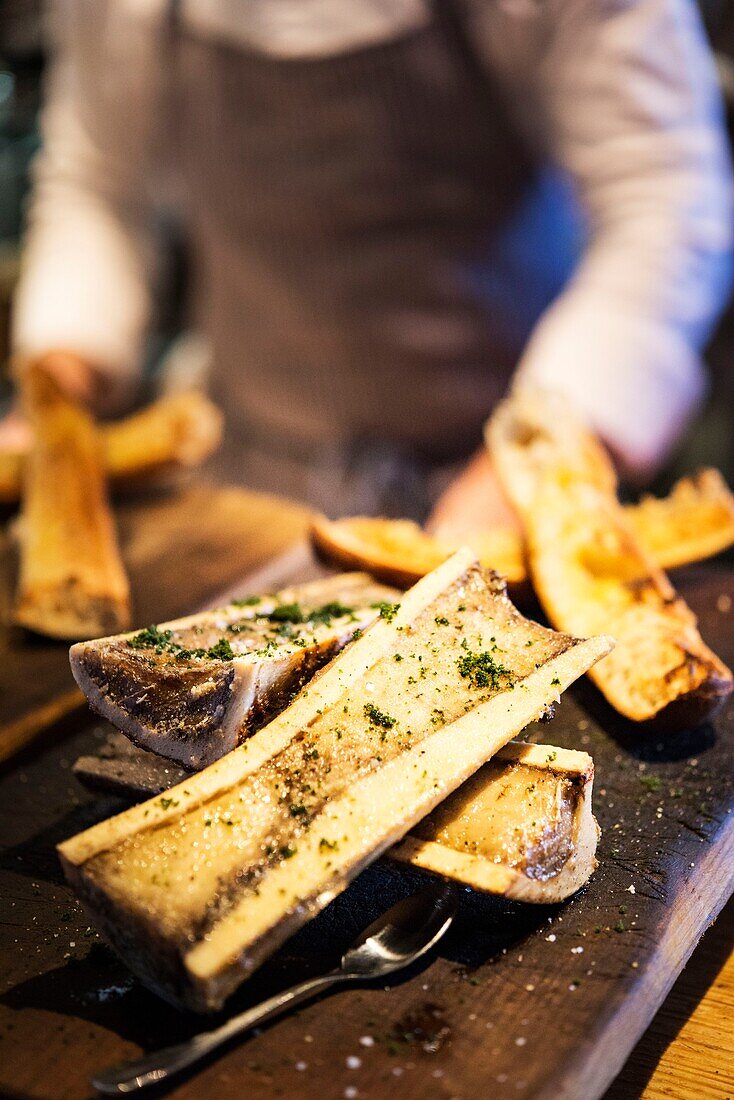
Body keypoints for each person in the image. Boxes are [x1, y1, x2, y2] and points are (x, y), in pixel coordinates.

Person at [6, 0, 733, 534]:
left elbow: (666, 207)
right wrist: (57, 400)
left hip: (499, 485)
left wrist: (528, 479)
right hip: (245, 483)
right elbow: (100, 188)